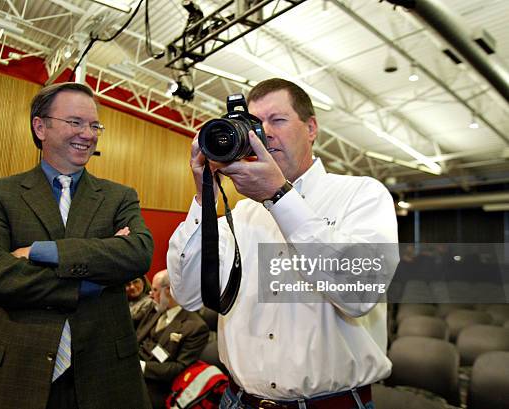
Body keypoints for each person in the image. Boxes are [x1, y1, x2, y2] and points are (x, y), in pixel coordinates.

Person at [167, 78, 398, 409]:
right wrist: (204, 196)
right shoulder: (242, 214)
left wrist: (278, 196)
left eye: (277, 120)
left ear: (311, 128)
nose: (264, 133)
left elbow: (359, 292)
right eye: (255, 124)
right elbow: (187, 295)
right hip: (237, 401)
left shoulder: (361, 194)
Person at [0, 82, 154, 409]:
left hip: (105, 373)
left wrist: (40, 252)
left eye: (94, 125)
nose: (88, 134)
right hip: (15, 371)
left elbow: (138, 253)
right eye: (75, 122)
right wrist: (90, 281)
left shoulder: (119, 196)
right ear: (41, 127)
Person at [136, 269, 209, 409]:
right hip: (136, 369)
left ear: (168, 290)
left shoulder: (195, 327)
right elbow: (137, 338)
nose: (151, 294)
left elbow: (178, 368)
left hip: (158, 385)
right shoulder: (155, 310)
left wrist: (142, 367)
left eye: (155, 290)